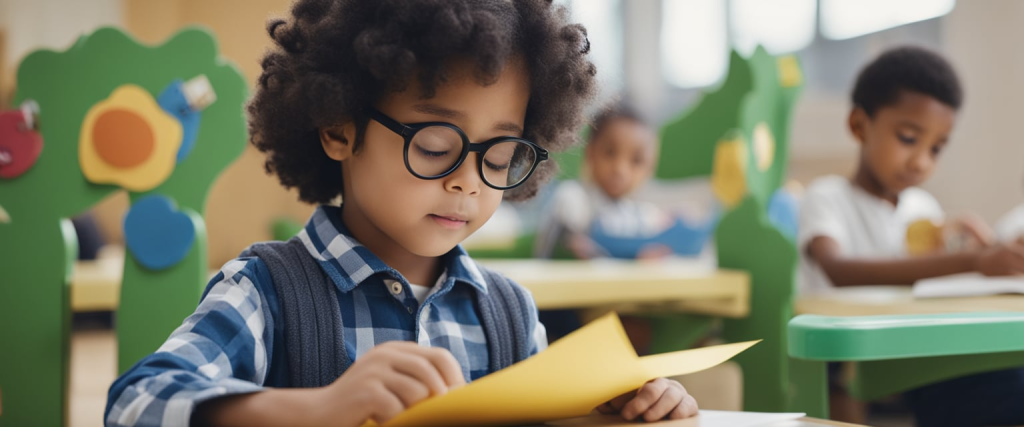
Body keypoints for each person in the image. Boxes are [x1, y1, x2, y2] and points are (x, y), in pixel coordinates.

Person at [105, 1, 698, 426]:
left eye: (498, 152)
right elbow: (137, 403)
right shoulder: (266, 291)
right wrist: (319, 410)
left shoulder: (510, 316)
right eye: (436, 146)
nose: (468, 179)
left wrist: (615, 404)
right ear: (338, 126)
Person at [798, 45, 1024, 427]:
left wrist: (983, 249)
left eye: (936, 148)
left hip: (908, 343)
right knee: (837, 375)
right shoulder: (827, 196)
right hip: (844, 347)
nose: (921, 161)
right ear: (859, 125)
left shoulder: (923, 207)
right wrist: (972, 261)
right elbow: (838, 270)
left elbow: (935, 277)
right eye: (907, 138)